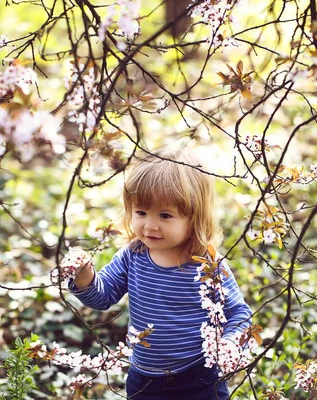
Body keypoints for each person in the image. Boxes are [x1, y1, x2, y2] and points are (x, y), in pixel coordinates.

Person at [69, 150, 252, 399]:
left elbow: (239, 313)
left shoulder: (207, 264)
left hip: (198, 376)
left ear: (194, 218)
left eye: (165, 215)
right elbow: (103, 298)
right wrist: (84, 277)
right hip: (144, 379)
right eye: (141, 213)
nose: (150, 225)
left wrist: (229, 343)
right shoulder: (133, 255)